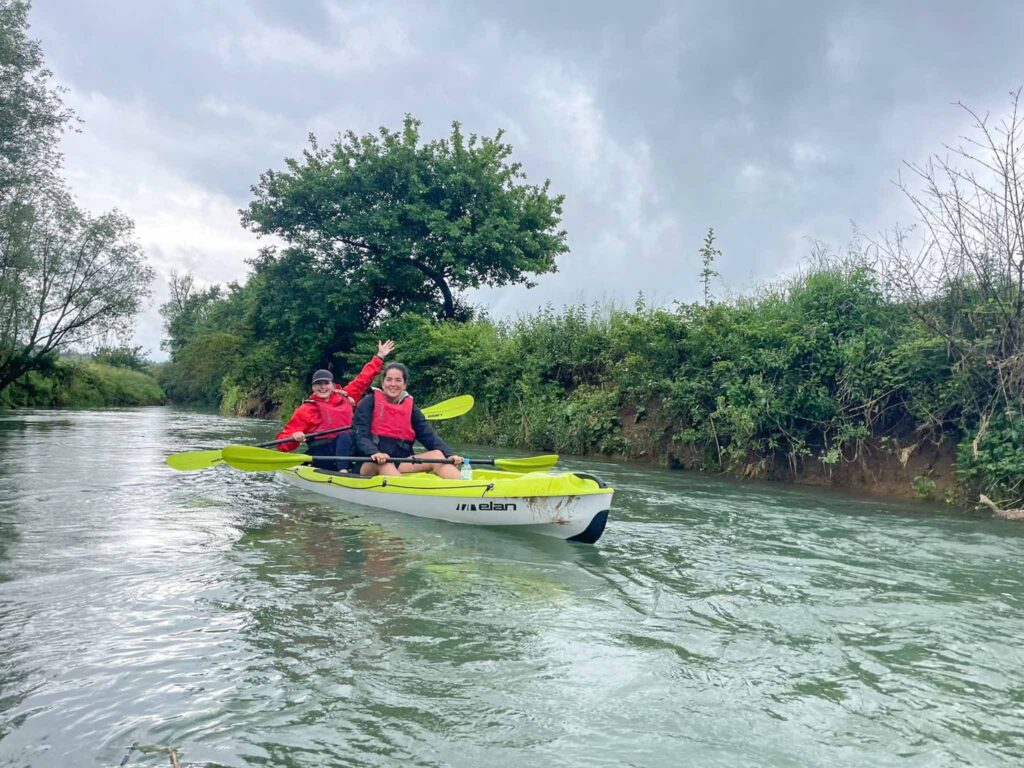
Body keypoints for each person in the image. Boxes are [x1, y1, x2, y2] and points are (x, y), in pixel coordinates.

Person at [275, 340, 395, 469]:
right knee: (344, 436)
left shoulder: (346, 396)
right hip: (323, 455)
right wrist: (294, 438)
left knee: (362, 437)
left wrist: (379, 356)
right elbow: (282, 443)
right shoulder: (306, 409)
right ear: (313, 388)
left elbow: (363, 379)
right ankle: (343, 470)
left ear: (332, 385)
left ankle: (374, 466)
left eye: (326, 383)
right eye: (318, 384)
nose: (322, 387)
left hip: (348, 450)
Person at [353, 362, 464, 479]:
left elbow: (427, 434)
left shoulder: (410, 407)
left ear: (404, 385)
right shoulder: (368, 403)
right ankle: (404, 492)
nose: (393, 384)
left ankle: (462, 489)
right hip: (370, 462)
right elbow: (360, 435)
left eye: (398, 380)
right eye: (389, 380)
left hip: (401, 462)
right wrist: (374, 452)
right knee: (385, 463)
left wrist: (449, 454)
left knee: (437, 455)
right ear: (383, 383)